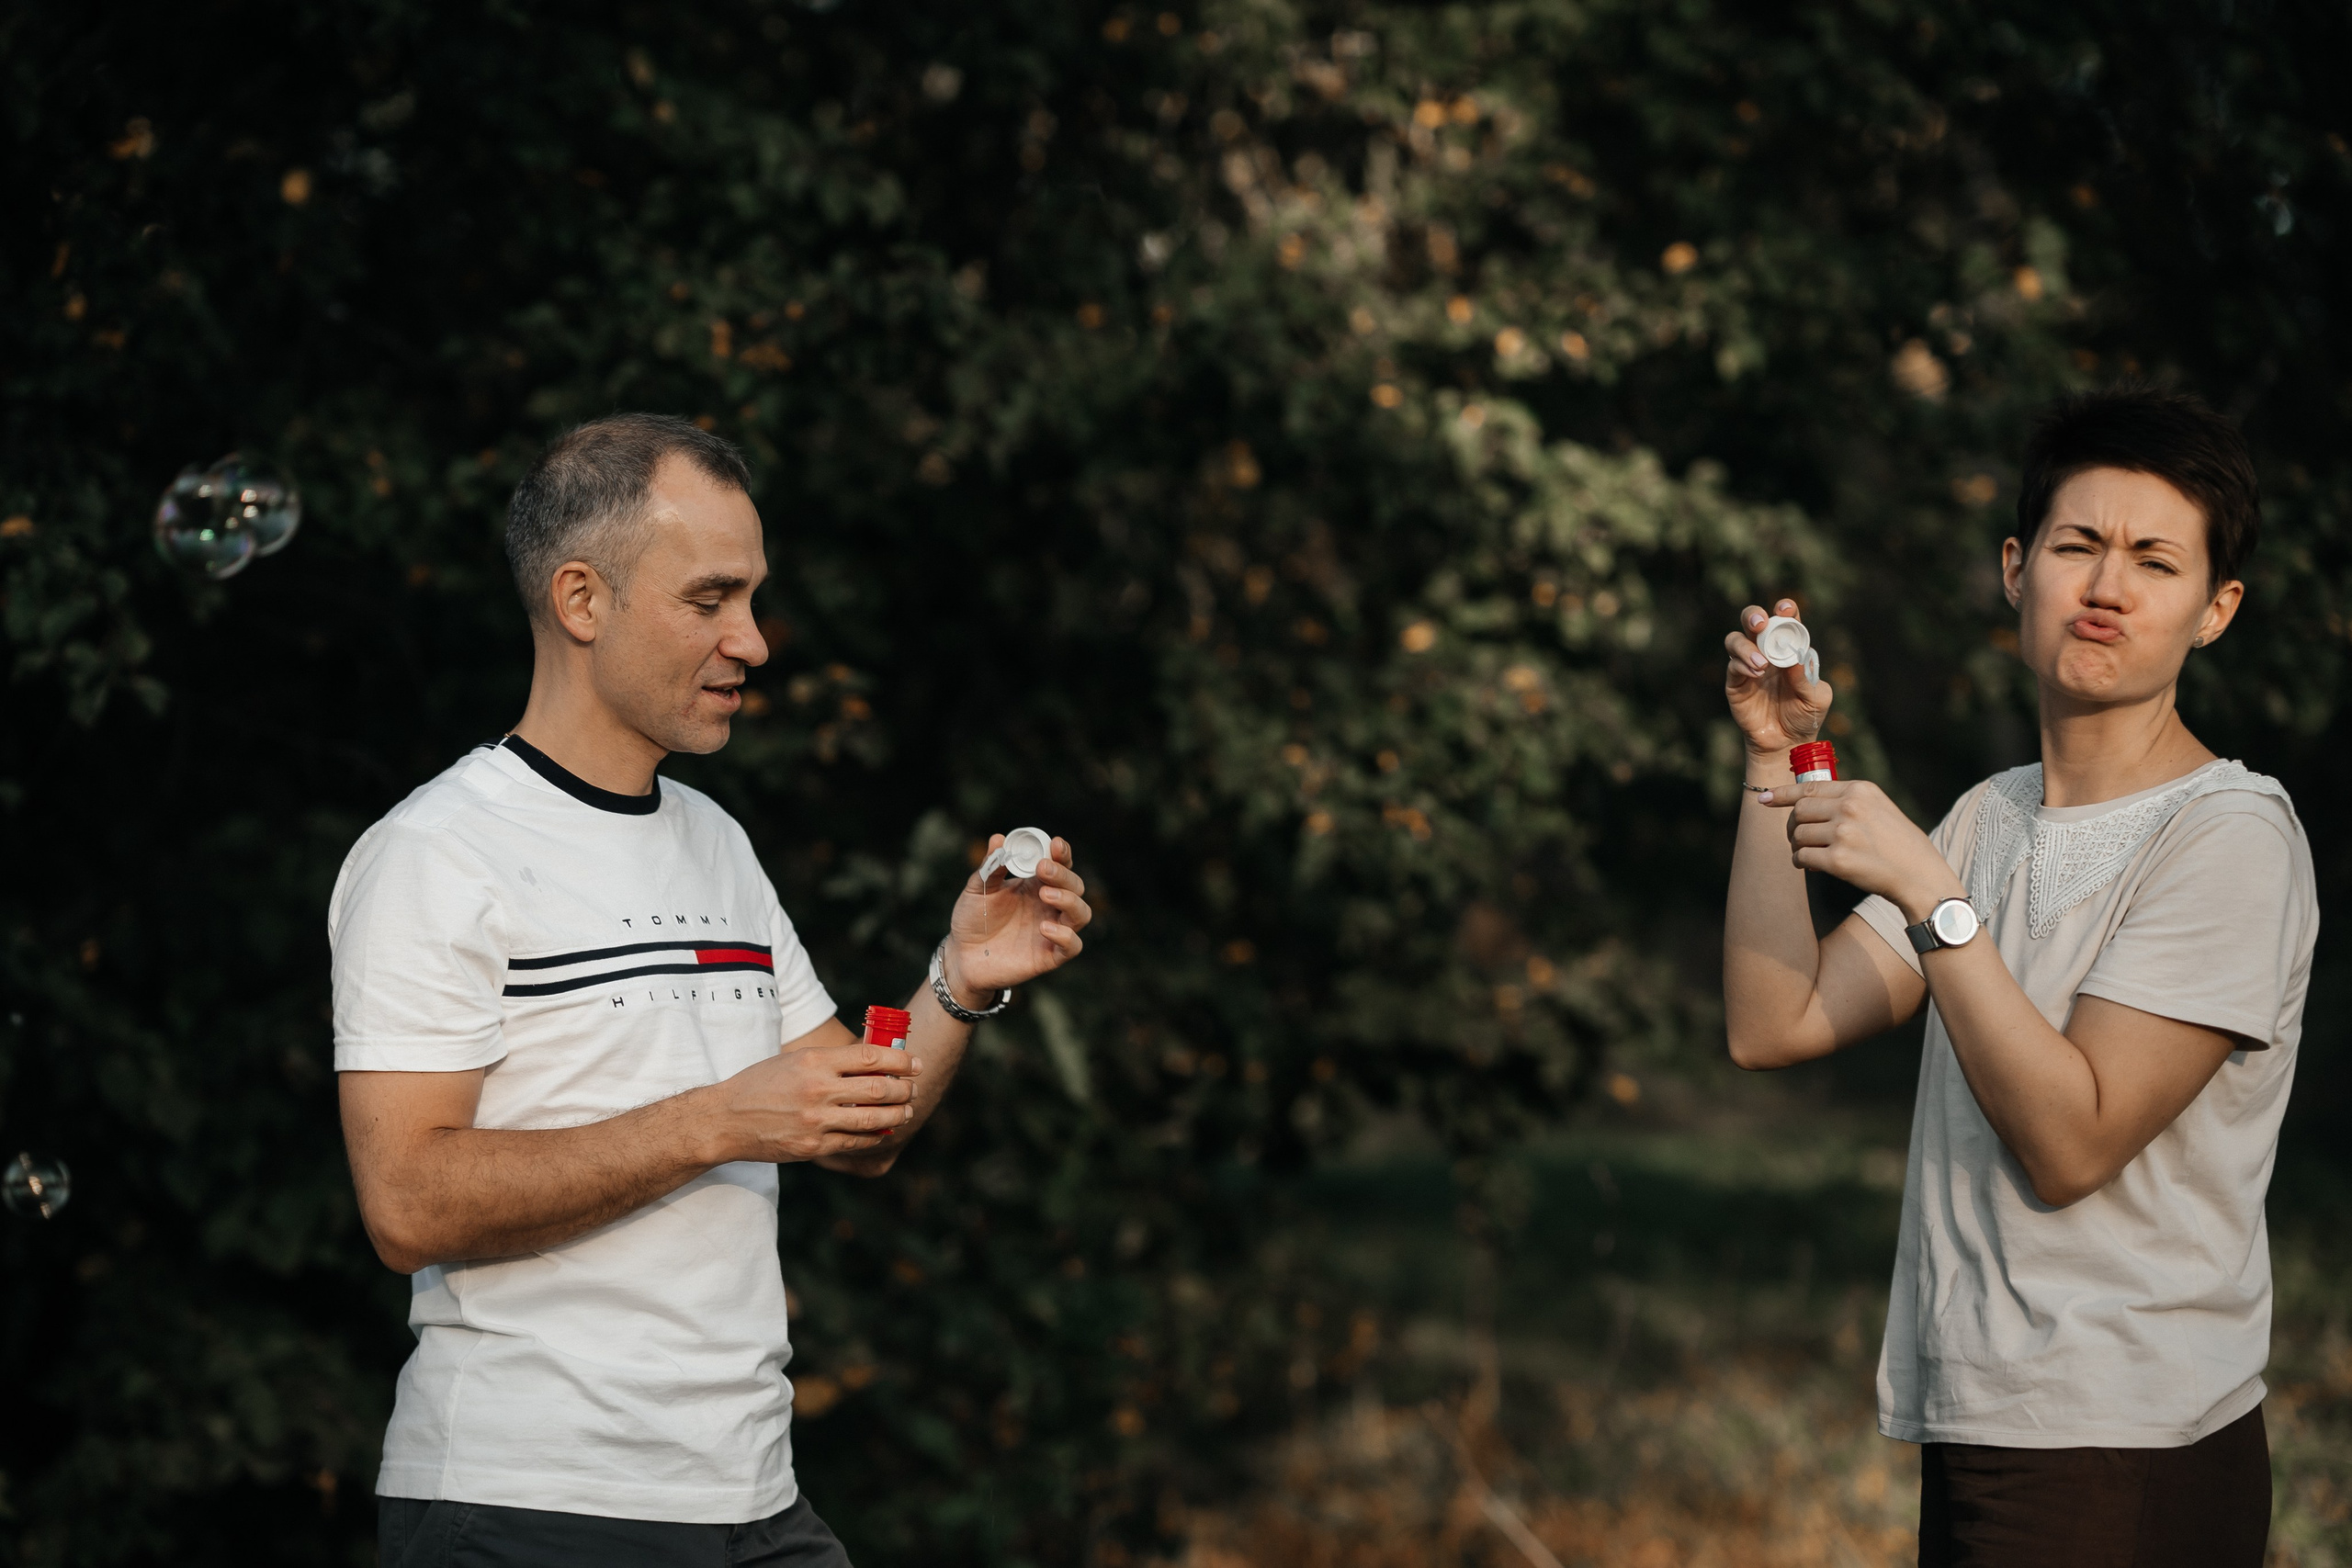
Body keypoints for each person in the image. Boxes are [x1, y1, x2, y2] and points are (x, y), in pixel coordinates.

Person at [330, 412, 1093, 1567]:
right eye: (710, 600)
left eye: (752, 599)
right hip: (527, 1507)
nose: (754, 641)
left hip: (751, 1500)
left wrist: (954, 980)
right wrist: (715, 1121)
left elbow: (855, 1115)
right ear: (583, 603)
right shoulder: (436, 852)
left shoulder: (713, 841)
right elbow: (406, 1202)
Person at [1718, 386, 2313, 1567]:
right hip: (1984, 1418)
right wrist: (1774, 761)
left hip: (2128, 1440)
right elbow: (1772, 1022)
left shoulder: (2228, 834)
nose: (2106, 587)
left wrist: (1933, 905)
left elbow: (2073, 1138)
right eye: (2077, 545)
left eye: (2155, 560)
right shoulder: (1989, 817)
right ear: (2014, 568)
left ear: (2214, 610)